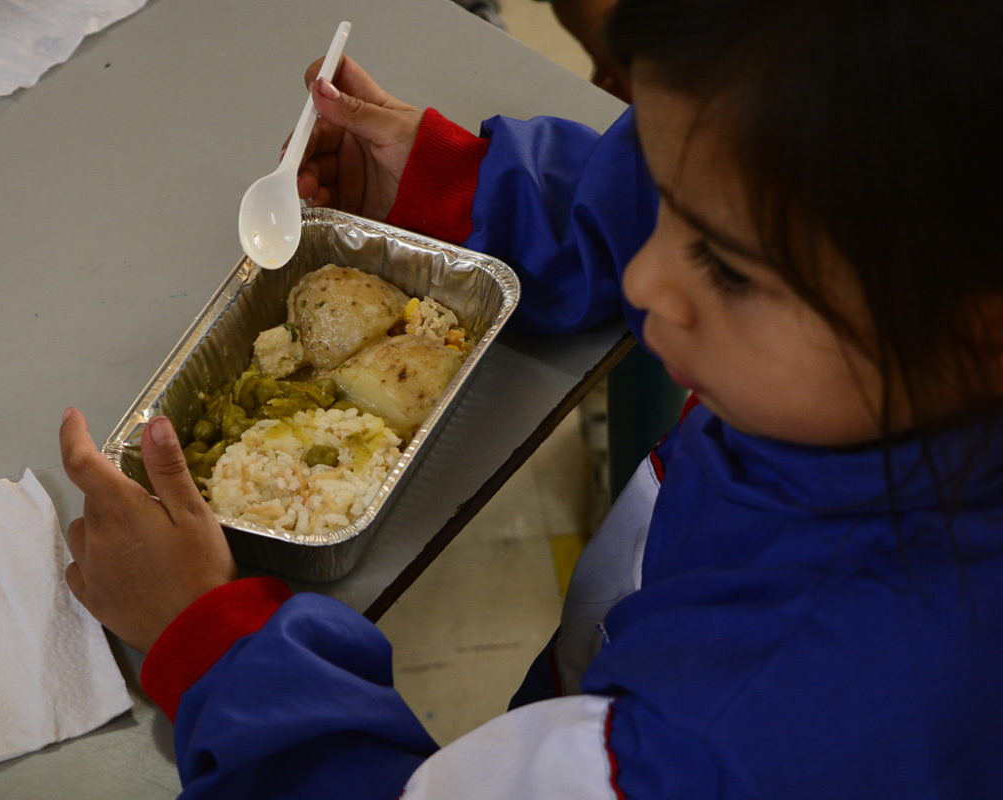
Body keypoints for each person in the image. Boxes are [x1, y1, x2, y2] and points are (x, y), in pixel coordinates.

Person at [58, 0, 1003, 796]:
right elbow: (676, 187)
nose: (645, 282)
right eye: (668, 194)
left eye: (723, 264)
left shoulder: (733, 741)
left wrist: (212, 646)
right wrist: (468, 197)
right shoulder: (907, 275)